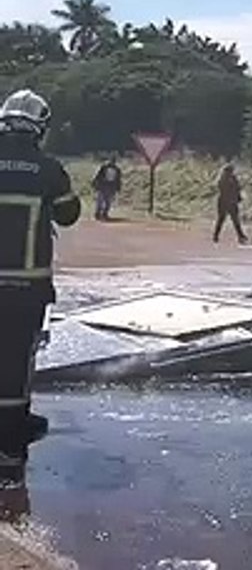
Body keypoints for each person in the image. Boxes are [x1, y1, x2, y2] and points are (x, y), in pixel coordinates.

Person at [0, 89, 80, 479]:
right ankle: (10, 452)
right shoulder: (49, 170)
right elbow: (68, 215)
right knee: (15, 367)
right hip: (25, 290)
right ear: (40, 127)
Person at [213, 163, 248, 244]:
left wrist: (238, 197)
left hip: (229, 202)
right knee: (223, 220)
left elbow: (237, 189)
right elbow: (230, 189)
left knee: (234, 220)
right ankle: (216, 235)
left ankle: (240, 236)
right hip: (225, 202)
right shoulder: (223, 180)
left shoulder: (230, 179)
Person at [90, 154, 123, 221]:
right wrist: (94, 182)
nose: (112, 162)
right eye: (111, 160)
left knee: (108, 202)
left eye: (113, 161)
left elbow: (118, 179)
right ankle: (97, 213)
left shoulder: (117, 169)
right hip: (103, 186)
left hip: (111, 186)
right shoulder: (103, 167)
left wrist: (118, 187)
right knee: (100, 201)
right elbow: (98, 175)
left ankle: (105, 214)